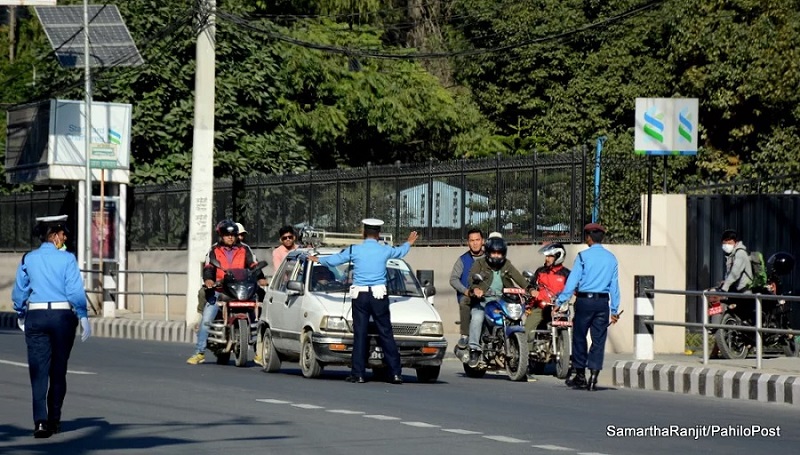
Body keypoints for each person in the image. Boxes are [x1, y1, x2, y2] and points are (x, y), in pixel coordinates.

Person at [308, 219, 418, 384]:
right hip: (379, 295)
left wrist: (318, 260)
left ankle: (358, 373)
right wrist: (409, 242)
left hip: (360, 295)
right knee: (386, 332)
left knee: (360, 334)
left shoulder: (355, 249)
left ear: (363, 232)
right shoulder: (385, 250)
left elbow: (336, 260)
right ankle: (395, 373)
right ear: (379, 234)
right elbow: (400, 252)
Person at [11, 215, 91, 438]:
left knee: (38, 372)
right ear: (54, 235)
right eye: (63, 233)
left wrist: (20, 312)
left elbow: (20, 292)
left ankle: (40, 422)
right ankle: (54, 420)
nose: (65, 237)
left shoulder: (28, 258)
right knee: (58, 370)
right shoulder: (67, 259)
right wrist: (83, 315)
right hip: (61, 317)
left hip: (35, 316)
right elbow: (74, 291)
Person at [554, 223, 621, 391]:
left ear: (589, 238)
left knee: (579, 337)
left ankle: (580, 374)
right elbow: (614, 286)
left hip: (584, 301)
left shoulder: (583, 256)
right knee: (598, 339)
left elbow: (572, 282)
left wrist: (561, 300)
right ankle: (594, 375)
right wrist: (614, 310)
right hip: (602, 303)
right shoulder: (611, 258)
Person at [187, 220, 260, 365]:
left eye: (233, 234)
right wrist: (209, 280)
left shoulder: (245, 249)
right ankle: (199, 352)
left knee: (257, 316)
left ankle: (260, 352)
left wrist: (260, 277)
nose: (230, 237)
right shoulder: (214, 250)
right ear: (221, 235)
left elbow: (253, 265)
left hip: (240, 289)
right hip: (220, 290)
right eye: (227, 235)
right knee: (207, 318)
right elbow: (209, 267)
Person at [465, 236, 535, 368]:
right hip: (483, 301)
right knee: (477, 317)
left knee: (514, 317)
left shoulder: (506, 264)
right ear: (488, 252)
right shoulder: (479, 263)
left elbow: (519, 278)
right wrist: (476, 289)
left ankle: (518, 355)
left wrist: (530, 289)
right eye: (494, 253)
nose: (497, 256)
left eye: (499, 253)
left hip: (501, 301)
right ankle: (474, 349)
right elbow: (471, 279)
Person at [525, 242, 571, 349]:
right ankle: (527, 356)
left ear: (558, 256)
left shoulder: (567, 274)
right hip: (541, 307)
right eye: (546, 256)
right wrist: (532, 290)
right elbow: (530, 285)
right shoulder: (540, 271)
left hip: (559, 309)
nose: (547, 259)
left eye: (550, 256)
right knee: (528, 329)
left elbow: (575, 289)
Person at [448, 228, 485, 348]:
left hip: (489, 295)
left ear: (482, 241)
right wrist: (465, 291)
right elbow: (453, 279)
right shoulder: (462, 260)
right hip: (470, 296)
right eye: (472, 240)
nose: (475, 243)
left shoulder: (490, 258)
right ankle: (465, 335)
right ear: (468, 243)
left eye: (477, 240)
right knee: (464, 302)